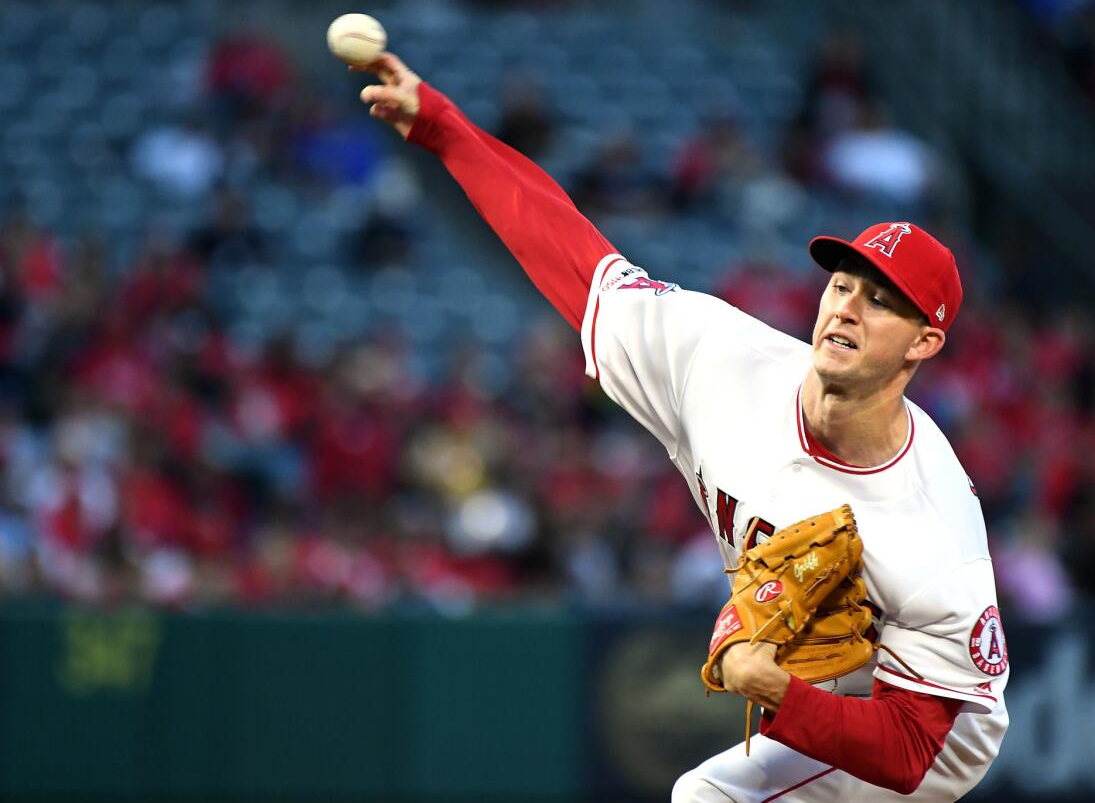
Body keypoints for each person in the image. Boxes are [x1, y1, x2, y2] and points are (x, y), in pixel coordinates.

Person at [356, 52, 1009, 802]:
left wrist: (779, 695)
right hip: (832, 684)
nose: (848, 309)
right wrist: (443, 127)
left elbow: (911, 752)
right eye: (842, 284)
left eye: (883, 302)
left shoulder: (933, 534)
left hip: (932, 726)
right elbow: (574, 257)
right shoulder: (722, 361)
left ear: (925, 342)